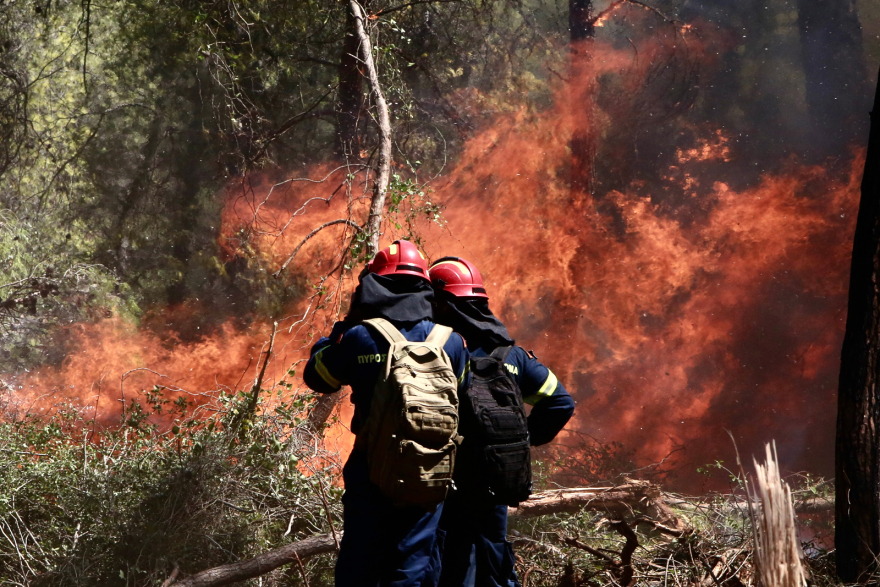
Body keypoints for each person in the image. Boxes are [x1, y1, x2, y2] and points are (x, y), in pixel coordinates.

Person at [303, 240, 470, 587]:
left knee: (360, 558)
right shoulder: (452, 342)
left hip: (371, 469)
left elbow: (318, 378)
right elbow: (462, 395)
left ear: (374, 287)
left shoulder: (359, 337)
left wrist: (341, 330)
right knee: (413, 562)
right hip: (430, 470)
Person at [428, 256, 575, 587]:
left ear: (442, 303)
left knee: (448, 563)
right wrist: (521, 441)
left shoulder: (440, 351)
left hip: (446, 480)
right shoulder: (513, 356)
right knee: (493, 560)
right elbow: (560, 402)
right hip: (496, 476)